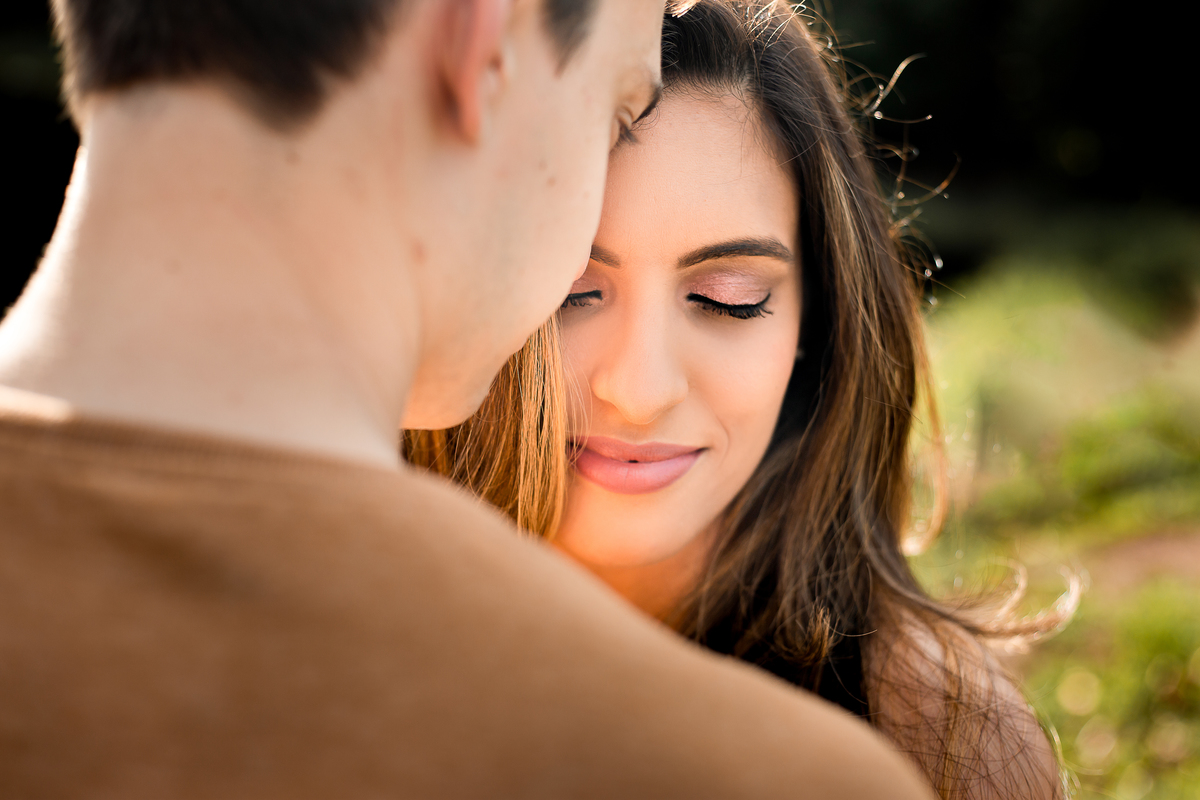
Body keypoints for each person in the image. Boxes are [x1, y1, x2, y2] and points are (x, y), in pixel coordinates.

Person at [0, 0, 938, 797]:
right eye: (617, 107)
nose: (638, 387)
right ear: (482, 38)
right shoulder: (750, 776)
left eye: (727, 300)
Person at [405, 1, 1079, 798]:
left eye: (729, 298)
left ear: (813, 322)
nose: (640, 389)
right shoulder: (321, 638)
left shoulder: (929, 738)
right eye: (574, 290)